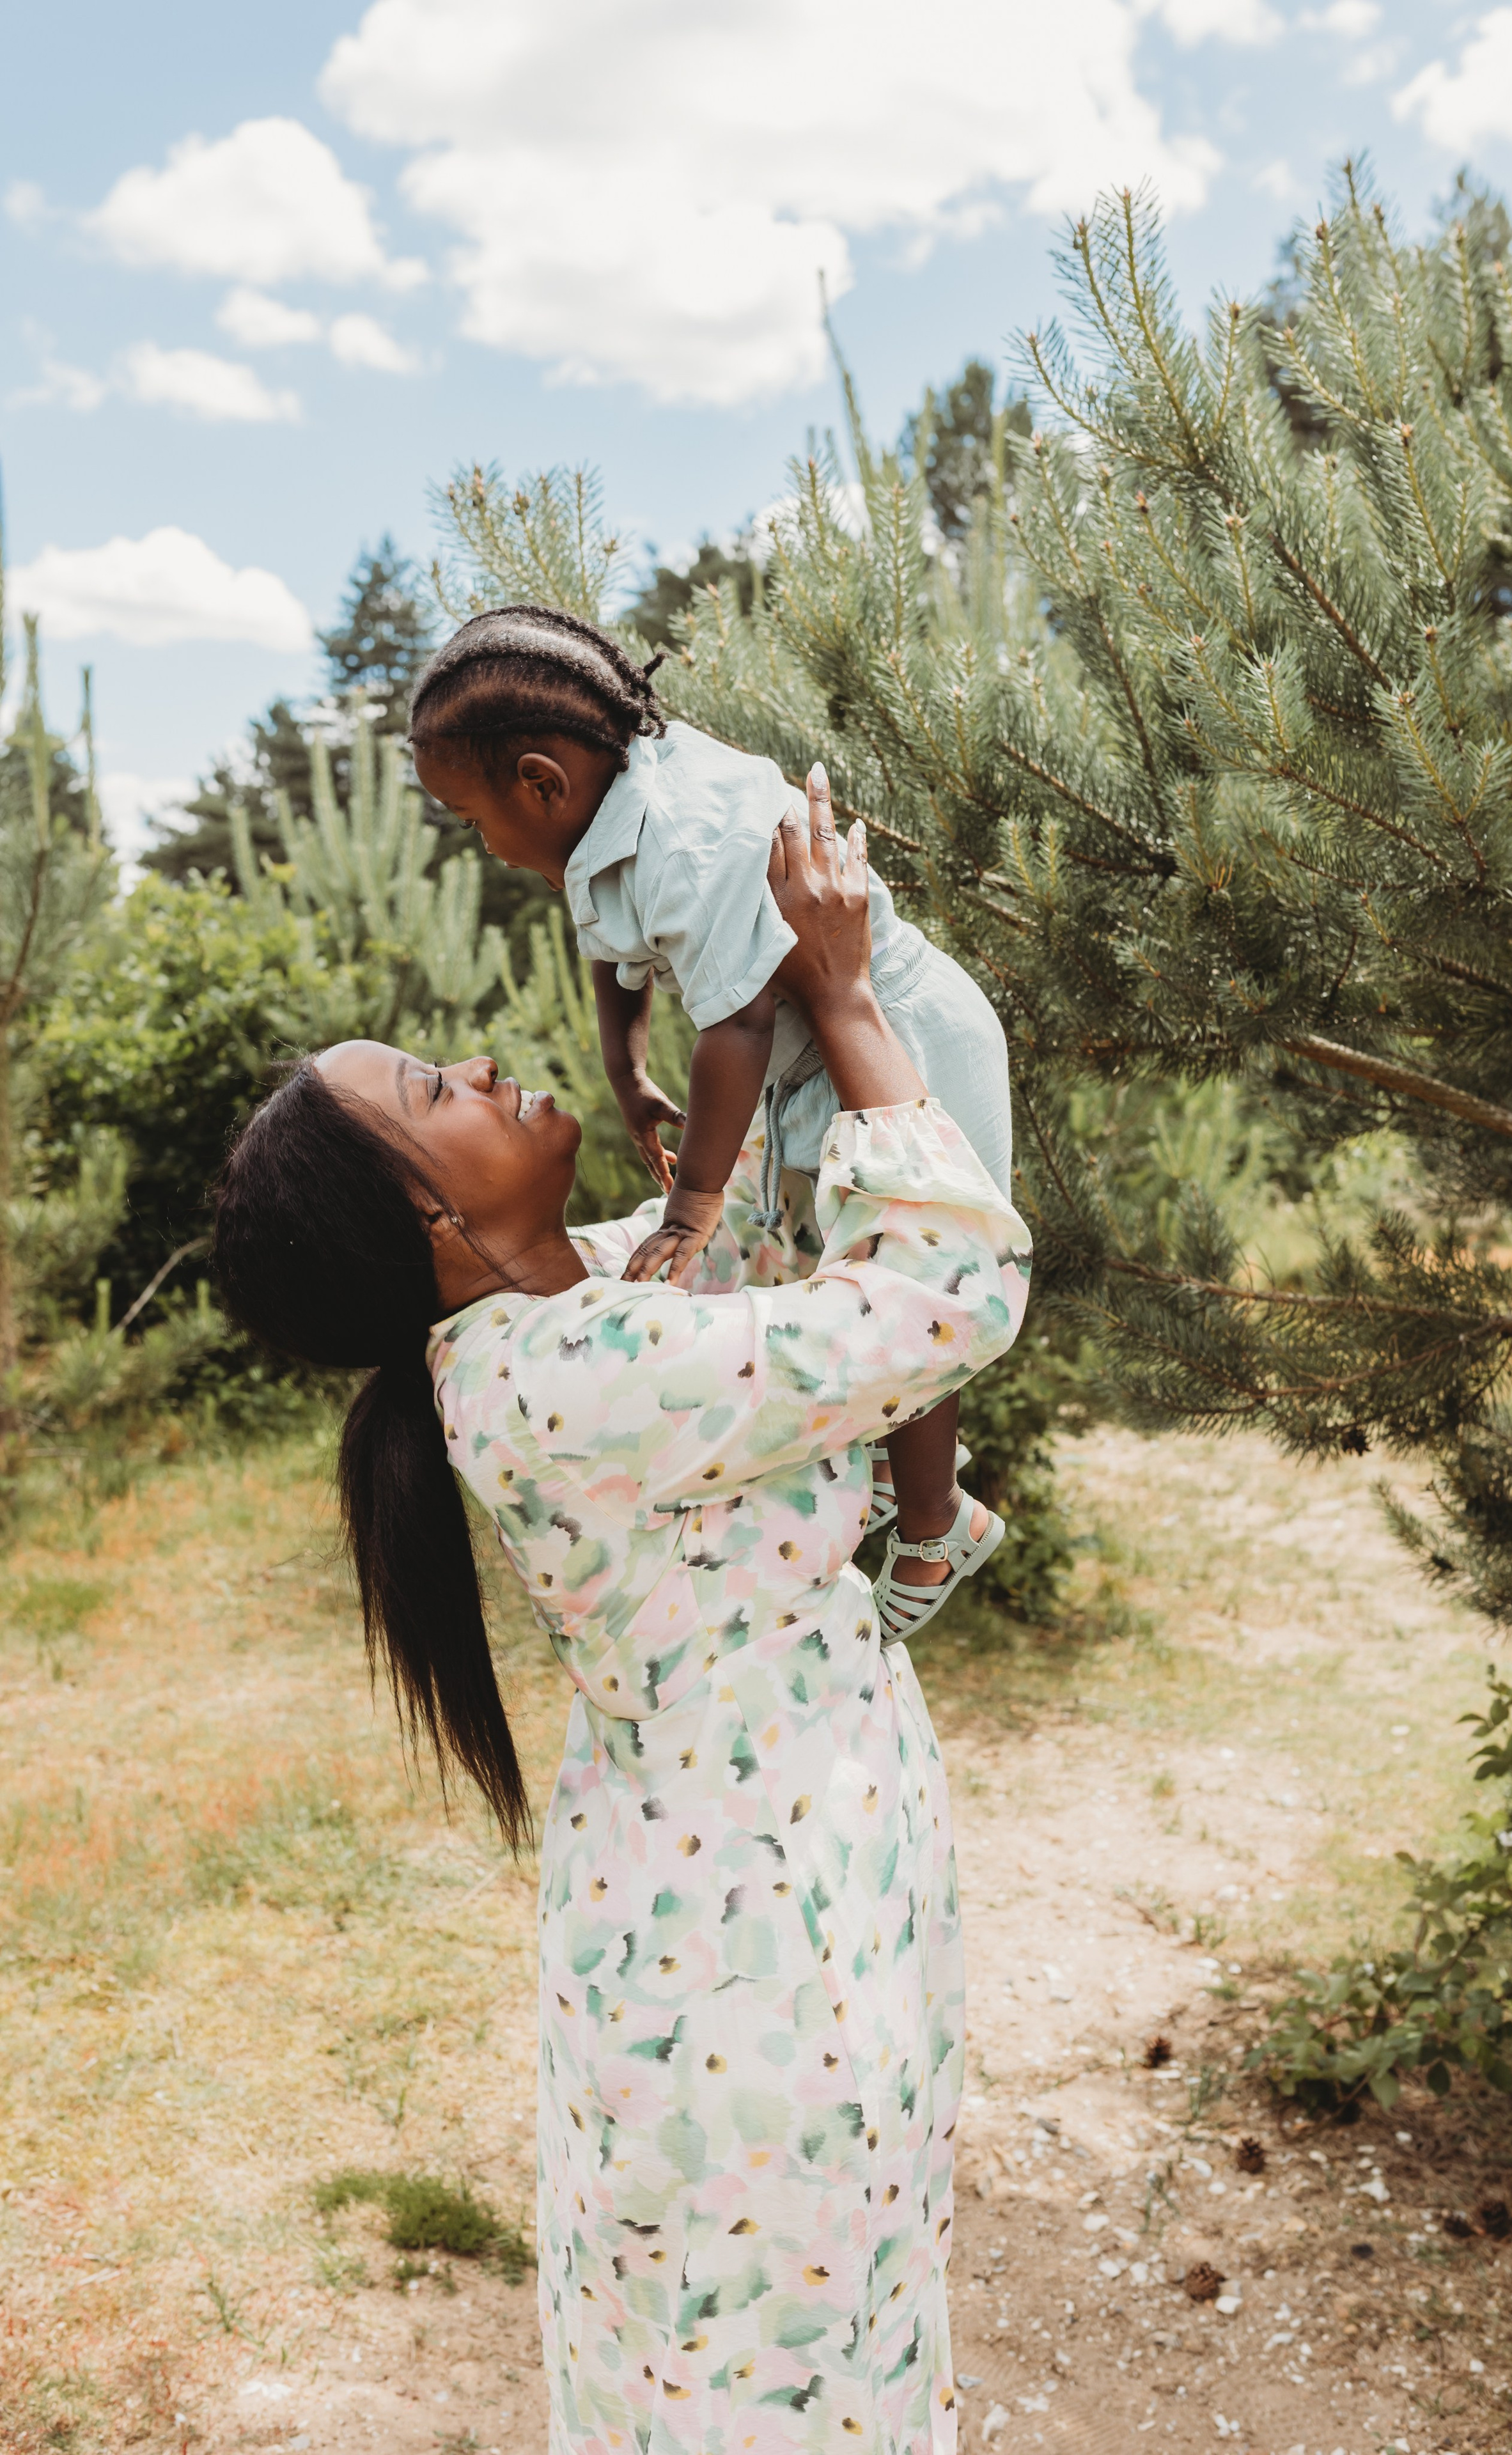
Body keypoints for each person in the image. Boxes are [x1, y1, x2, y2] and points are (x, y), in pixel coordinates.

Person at [212, 772, 1031, 2455]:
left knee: (763, 2354)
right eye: (441, 1088)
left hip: (745, 1897)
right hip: (758, 1952)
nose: (488, 1064)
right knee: (784, 2379)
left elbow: (739, 1263)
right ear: (435, 1221)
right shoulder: (565, 1377)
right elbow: (946, 1300)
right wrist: (854, 997)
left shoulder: (582, 1296)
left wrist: (720, 1070)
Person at [407, 605, 1013, 1637]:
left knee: (896, 1285)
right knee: (819, 1276)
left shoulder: (684, 836)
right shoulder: (600, 826)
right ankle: (874, 1467)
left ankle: (934, 1516)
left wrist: (691, 1203)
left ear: (541, 784)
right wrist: (626, 1067)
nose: (486, 845)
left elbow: (739, 1021)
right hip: (804, 1059)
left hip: (893, 1034)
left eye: (474, 821)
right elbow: (609, 948)